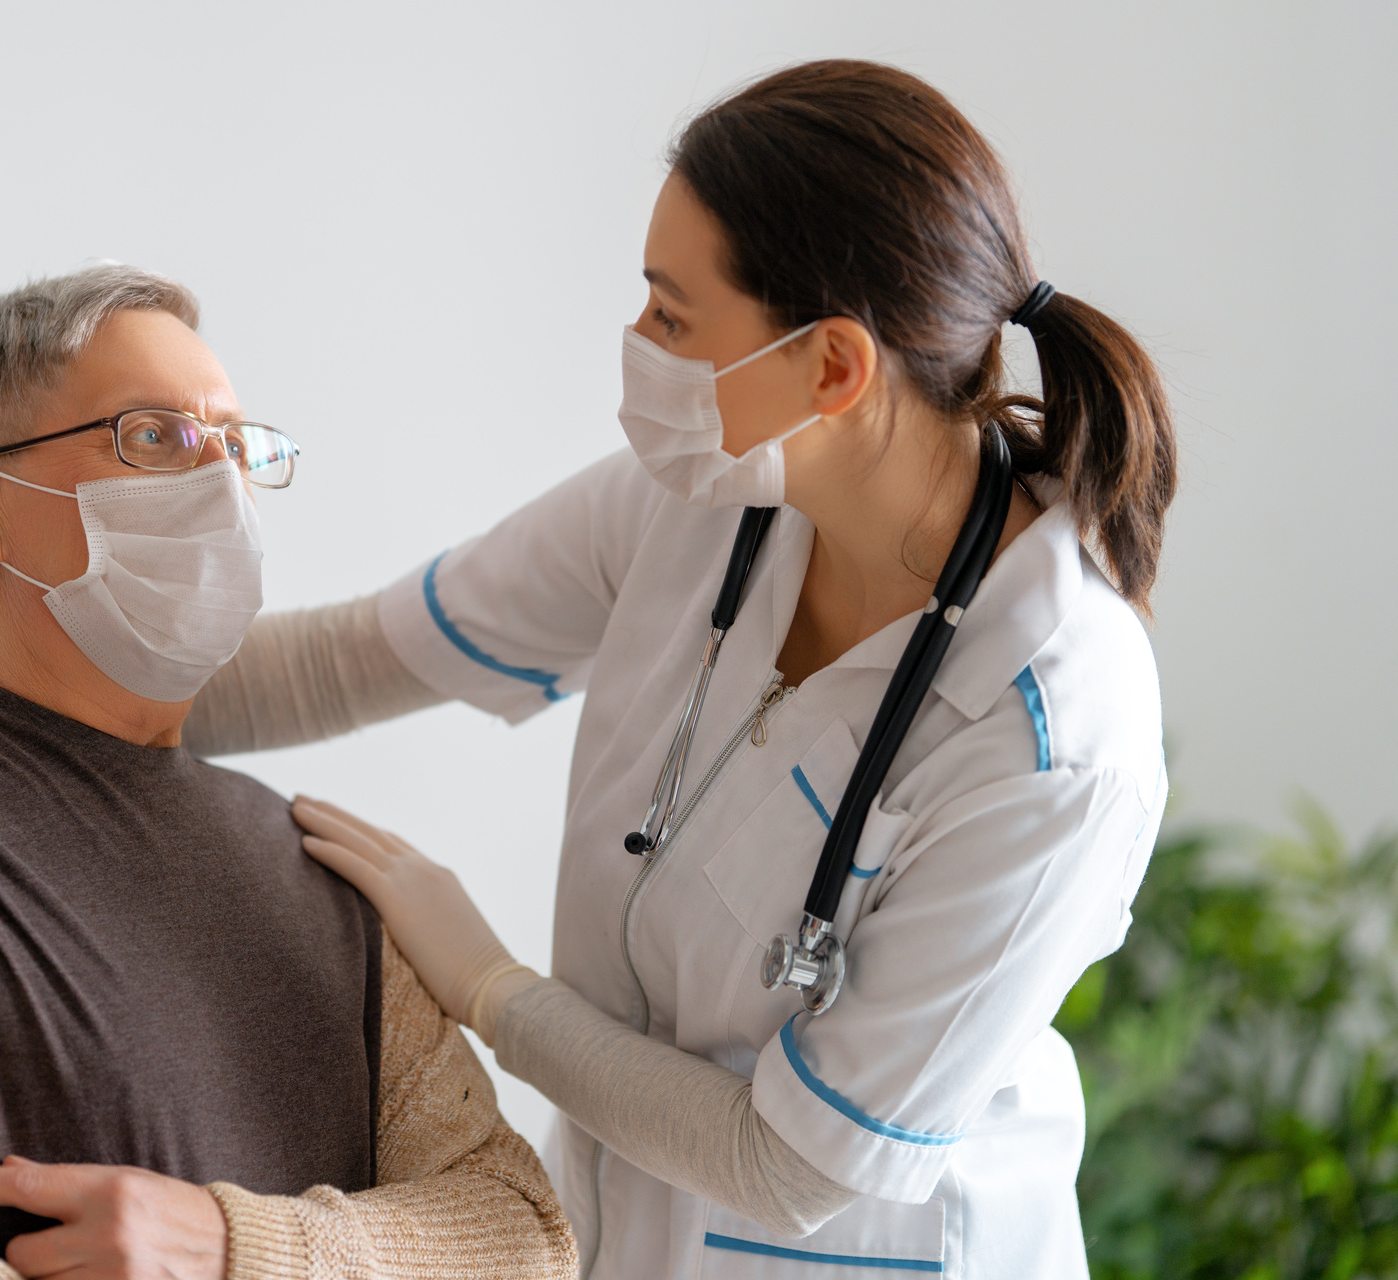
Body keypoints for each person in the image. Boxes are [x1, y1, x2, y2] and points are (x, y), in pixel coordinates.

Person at [186, 61, 1175, 1279]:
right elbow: (353, 659)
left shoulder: (1056, 732)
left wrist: (492, 988)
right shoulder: (706, 502)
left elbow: (794, 1164)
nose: (636, 345)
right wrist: (8, 714)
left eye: (671, 313)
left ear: (833, 369)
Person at [0, 264, 577, 1280]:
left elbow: (519, 1237)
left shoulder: (321, 870)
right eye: (153, 437)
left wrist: (233, 1244)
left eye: (234, 446)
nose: (216, 484)